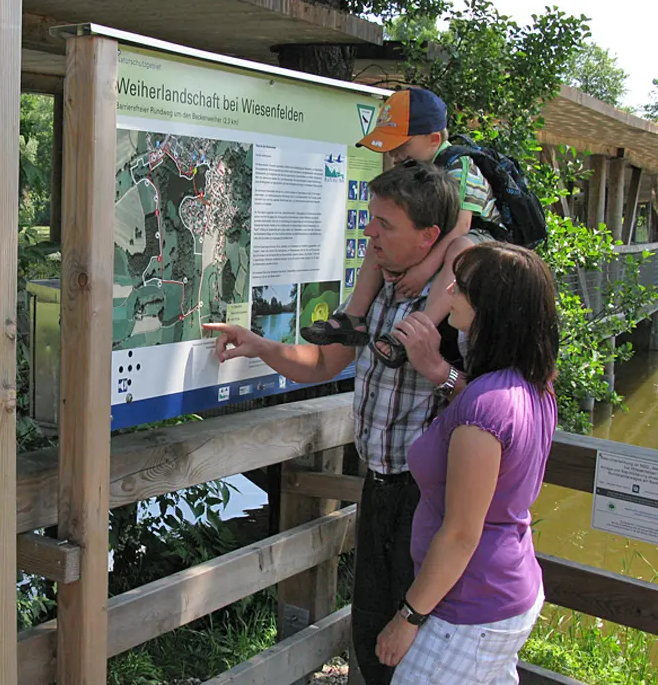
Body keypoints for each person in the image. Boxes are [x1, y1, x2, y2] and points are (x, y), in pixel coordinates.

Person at [204, 159, 463, 684]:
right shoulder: (383, 290)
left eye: (385, 224)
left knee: (420, 638)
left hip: (429, 497)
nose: (369, 232)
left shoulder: (462, 304)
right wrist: (259, 346)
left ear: (428, 236)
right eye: (372, 219)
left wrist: (441, 371)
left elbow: (495, 404)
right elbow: (324, 364)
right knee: (371, 631)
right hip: (380, 487)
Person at [375, 242, 558, 684]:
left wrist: (408, 617)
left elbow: (460, 533)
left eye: (463, 285)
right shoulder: (533, 386)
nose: (449, 289)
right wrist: (442, 371)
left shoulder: (485, 409)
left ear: (490, 309)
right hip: (506, 591)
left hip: (467, 608)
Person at [303, 87, 499, 368]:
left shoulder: (459, 165)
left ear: (433, 139)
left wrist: (423, 270)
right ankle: (353, 318)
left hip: (475, 238)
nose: (393, 154)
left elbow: (460, 227)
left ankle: (421, 327)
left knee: (460, 248)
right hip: (436, 235)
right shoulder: (414, 169)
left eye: (401, 146)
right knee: (377, 234)